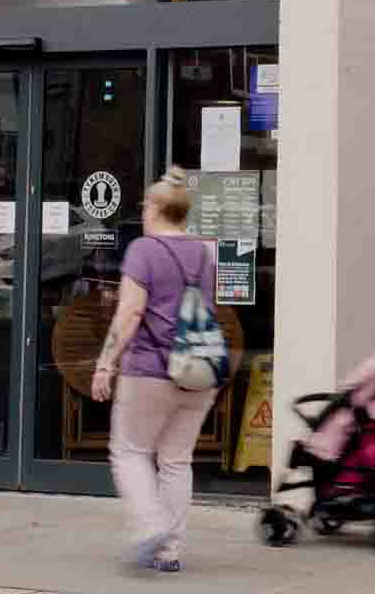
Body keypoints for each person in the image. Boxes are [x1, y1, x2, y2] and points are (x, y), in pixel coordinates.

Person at [91, 166, 216, 574]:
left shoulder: (143, 250)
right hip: (198, 370)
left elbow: (130, 312)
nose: (143, 209)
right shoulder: (202, 253)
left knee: (128, 451)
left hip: (150, 369)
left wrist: (106, 363)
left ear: (160, 208)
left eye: (146, 203)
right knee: (177, 460)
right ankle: (170, 551)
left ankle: (151, 529)